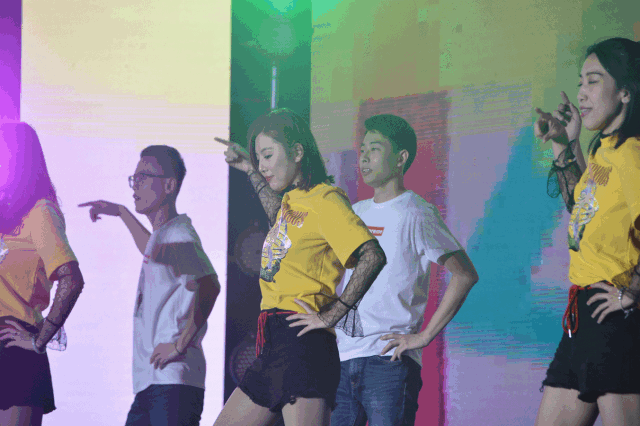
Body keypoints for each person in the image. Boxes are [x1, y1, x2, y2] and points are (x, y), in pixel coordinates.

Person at [213, 108, 387, 426]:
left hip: (303, 345)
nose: (263, 165)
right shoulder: (292, 201)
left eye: (268, 155)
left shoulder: (326, 200)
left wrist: (332, 315)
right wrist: (249, 169)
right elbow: (279, 220)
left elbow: (372, 256)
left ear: (296, 152)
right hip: (273, 344)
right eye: (259, 158)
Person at [328, 114, 479, 426]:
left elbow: (465, 274)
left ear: (400, 158)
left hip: (389, 363)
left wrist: (423, 337)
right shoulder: (355, 213)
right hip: (344, 359)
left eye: (374, 149)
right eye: (362, 150)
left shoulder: (417, 212)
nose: (364, 157)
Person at [534, 37, 640, 426]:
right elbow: (582, 208)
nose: (581, 92)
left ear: (625, 92)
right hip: (581, 316)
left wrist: (633, 292)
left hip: (614, 322)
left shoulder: (632, 154)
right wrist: (565, 142)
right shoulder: (604, 149)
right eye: (581, 82)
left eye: (593, 81)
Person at [79, 145, 221, 426]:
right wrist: (121, 212)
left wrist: (179, 345)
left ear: (169, 185)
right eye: (134, 178)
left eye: (144, 177)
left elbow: (210, 285)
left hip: (172, 383)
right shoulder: (165, 236)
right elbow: (153, 252)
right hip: (155, 383)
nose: (135, 185)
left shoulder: (179, 234)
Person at [0, 122, 85, 426]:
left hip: (12, 348)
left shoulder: (41, 212)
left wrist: (40, 340)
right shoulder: (5, 218)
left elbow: (71, 279)